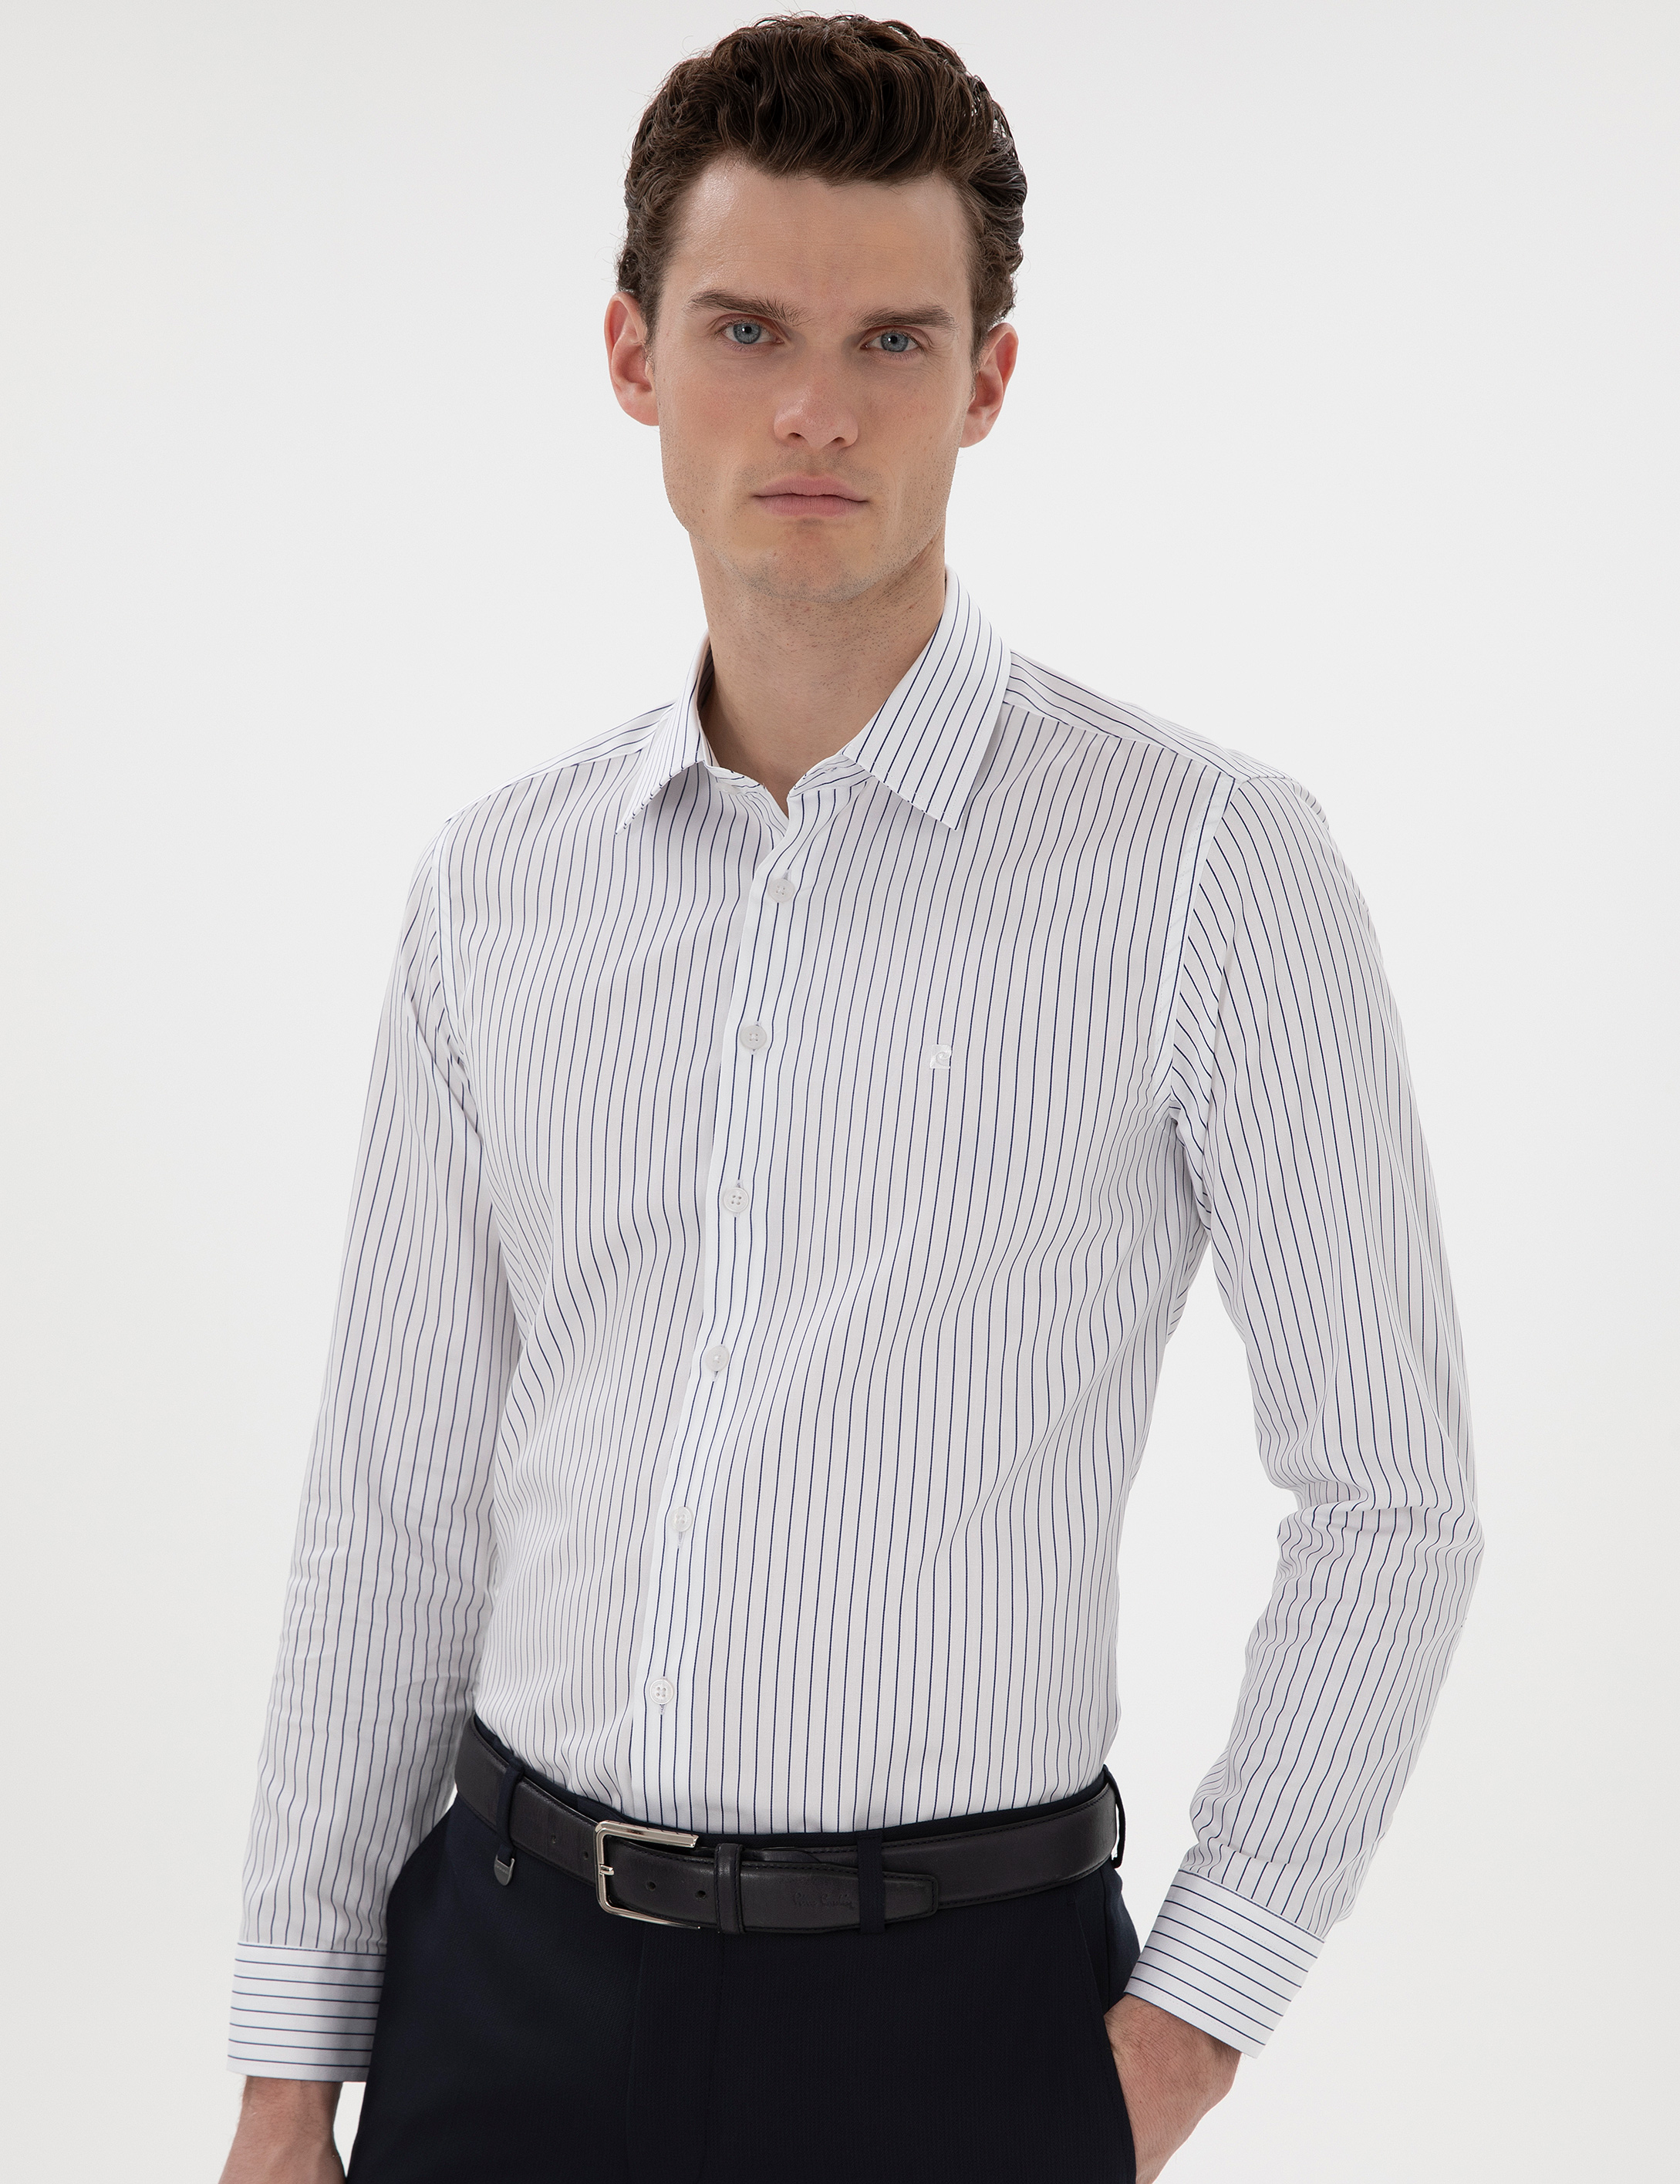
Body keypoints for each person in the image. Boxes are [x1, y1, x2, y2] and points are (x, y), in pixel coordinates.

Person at [219, 17, 1483, 2182]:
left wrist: (1182, 2033)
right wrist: (286, 2066)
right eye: (747, 329)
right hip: (500, 1994)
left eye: (894, 339)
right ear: (633, 357)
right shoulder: (497, 886)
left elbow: (1392, 1499)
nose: (816, 407)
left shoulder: (1209, 868)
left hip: (961, 2025)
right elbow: (390, 1501)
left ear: (988, 381)